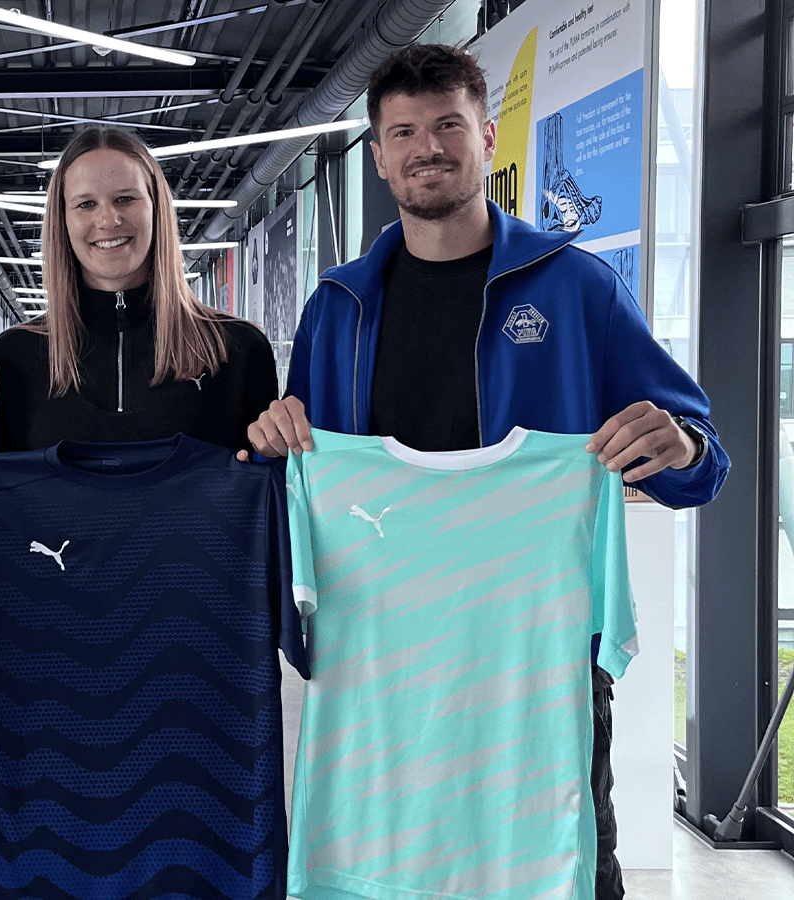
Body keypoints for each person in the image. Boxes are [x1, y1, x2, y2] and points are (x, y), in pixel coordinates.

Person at [249, 44, 729, 900]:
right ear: (378, 154)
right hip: (383, 663)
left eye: (447, 125)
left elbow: (701, 461)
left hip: (533, 661)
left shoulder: (576, 289)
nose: (426, 148)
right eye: (403, 133)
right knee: (392, 867)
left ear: (485, 138)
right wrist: (271, 439)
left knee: (560, 862)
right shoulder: (338, 307)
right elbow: (297, 471)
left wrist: (682, 447)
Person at [0, 125, 278, 453]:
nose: (108, 220)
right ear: (63, 220)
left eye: (125, 199)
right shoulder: (12, 359)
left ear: (156, 208)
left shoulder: (237, 352)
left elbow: (274, 477)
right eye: (86, 204)